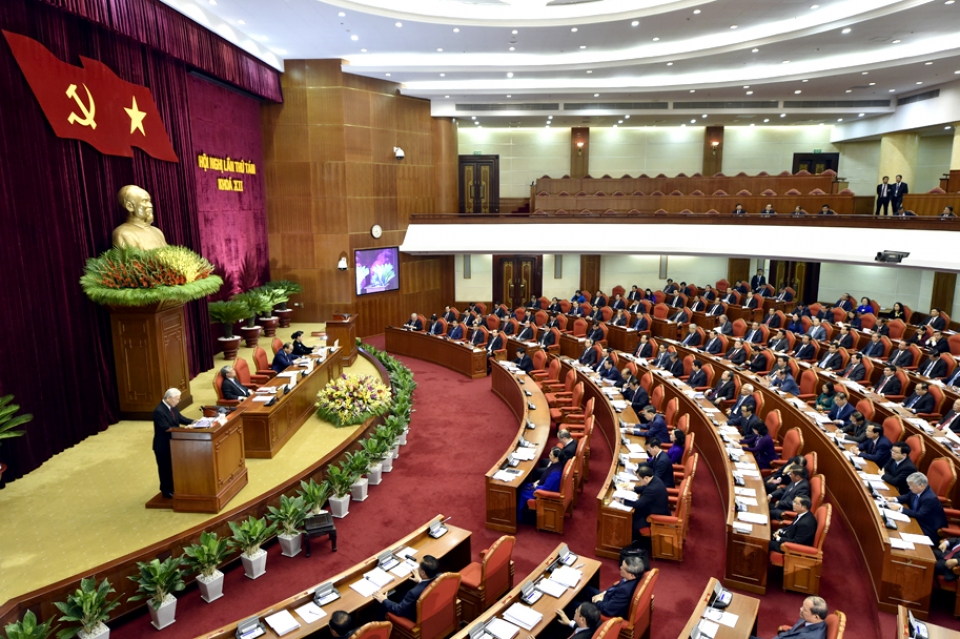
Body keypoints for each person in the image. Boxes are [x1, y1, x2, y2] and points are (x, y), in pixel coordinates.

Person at [571, 557, 645, 619]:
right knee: (584, 589)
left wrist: (597, 601)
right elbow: (617, 587)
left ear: (632, 575)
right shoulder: (636, 576)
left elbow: (607, 610)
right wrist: (604, 593)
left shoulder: (625, 591)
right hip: (609, 597)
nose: (620, 568)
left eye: (623, 568)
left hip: (607, 609)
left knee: (571, 605)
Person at [152, 388, 193, 498]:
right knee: (165, 468)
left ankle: (175, 487)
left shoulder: (173, 406)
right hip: (163, 445)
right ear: (168, 398)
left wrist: (194, 422)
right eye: (176, 399)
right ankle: (166, 491)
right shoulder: (159, 411)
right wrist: (185, 430)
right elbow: (166, 428)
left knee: (174, 466)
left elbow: (180, 418)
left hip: (174, 442)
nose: (178, 401)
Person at [373, 555, 441, 620]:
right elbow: (428, 586)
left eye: (419, 567)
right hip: (431, 607)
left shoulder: (413, 593)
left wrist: (384, 600)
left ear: (423, 573)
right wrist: (421, 581)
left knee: (380, 605)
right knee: (403, 590)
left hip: (415, 617)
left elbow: (398, 610)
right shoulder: (440, 577)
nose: (417, 568)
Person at [887, 472, 947, 542]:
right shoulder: (918, 490)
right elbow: (908, 496)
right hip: (916, 520)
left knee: (900, 533)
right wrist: (893, 499)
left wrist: (899, 508)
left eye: (911, 486)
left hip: (927, 527)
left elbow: (919, 515)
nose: (909, 488)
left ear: (921, 486)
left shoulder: (929, 499)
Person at [618, 464, 671, 540]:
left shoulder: (651, 490)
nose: (640, 481)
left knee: (631, 518)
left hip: (655, 514)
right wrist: (633, 489)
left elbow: (638, 504)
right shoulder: (655, 479)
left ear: (646, 478)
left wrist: (622, 500)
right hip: (659, 508)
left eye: (640, 479)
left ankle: (633, 542)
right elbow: (645, 487)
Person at [111, 185, 169, 250]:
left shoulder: (157, 232)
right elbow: (132, 259)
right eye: (144, 201)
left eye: (149, 201)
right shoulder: (123, 234)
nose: (150, 205)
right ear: (130, 206)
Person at [751, 597, 829, 639]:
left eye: (804, 609)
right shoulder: (808, 618)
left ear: (816, 617)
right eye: (802, 606)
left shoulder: (812, 637)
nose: (800, 609)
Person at [520, 446, 565, 517]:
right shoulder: (557, 465)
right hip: (542, 485)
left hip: (545, 493)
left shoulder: (555, 474)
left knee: (522, 493)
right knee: (525, 485)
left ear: (556, 458)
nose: (549, 456)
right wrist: (538, 481)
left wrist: (536, 486)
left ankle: (520, 516)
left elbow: (546, 488)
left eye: (551, 455)